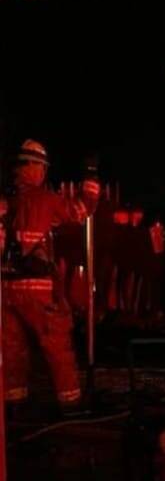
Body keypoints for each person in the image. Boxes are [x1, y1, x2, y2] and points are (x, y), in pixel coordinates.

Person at [1, 140, 100, 414]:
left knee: (11, 348)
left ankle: (14, 403)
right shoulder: (43, 199)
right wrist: (91, 178)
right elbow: (81, 210)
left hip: (4, 289)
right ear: (33, 167)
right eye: (42, 167)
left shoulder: (5, 201)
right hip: (38, 289)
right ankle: (71, 403)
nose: (44, 173)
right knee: (56, 344)